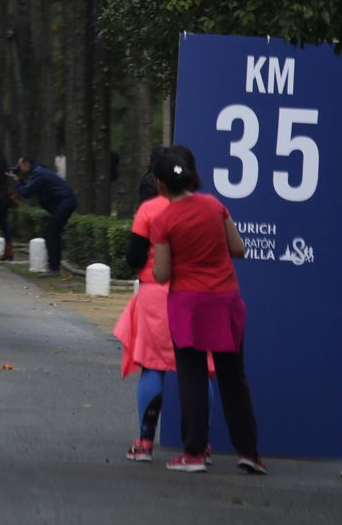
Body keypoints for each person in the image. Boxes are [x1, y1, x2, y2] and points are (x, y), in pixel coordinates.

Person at [148, 146, 265, 474]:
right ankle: (249, 452)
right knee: (233, 378)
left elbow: (161, 273)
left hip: (188, 306)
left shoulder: (163, 220)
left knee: (193, 378)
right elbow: (238, 248)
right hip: (225, 301)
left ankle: (195, 453)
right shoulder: (215, 205)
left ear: (160, 184)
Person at [114, 144, 196, 462]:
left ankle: (145, 443)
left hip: (156, 295)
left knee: (153, 368)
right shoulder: (210, 207)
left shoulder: (149, 210)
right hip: (198, 296)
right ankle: (199, 447)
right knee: (201, 371)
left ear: (159, 181)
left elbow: (133, 257)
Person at [10, 156, 78, 274]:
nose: (19, 168)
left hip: (65, 203)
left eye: (20, 166)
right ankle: (54, 266)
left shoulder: (38, 174)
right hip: (64, 203)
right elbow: (29, 188)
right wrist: (20, 180)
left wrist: (16, 181)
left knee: (50, 233)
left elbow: (26, 193)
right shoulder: (38, 171)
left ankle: (54, 268)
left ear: (26, 164)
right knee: (53, 233)